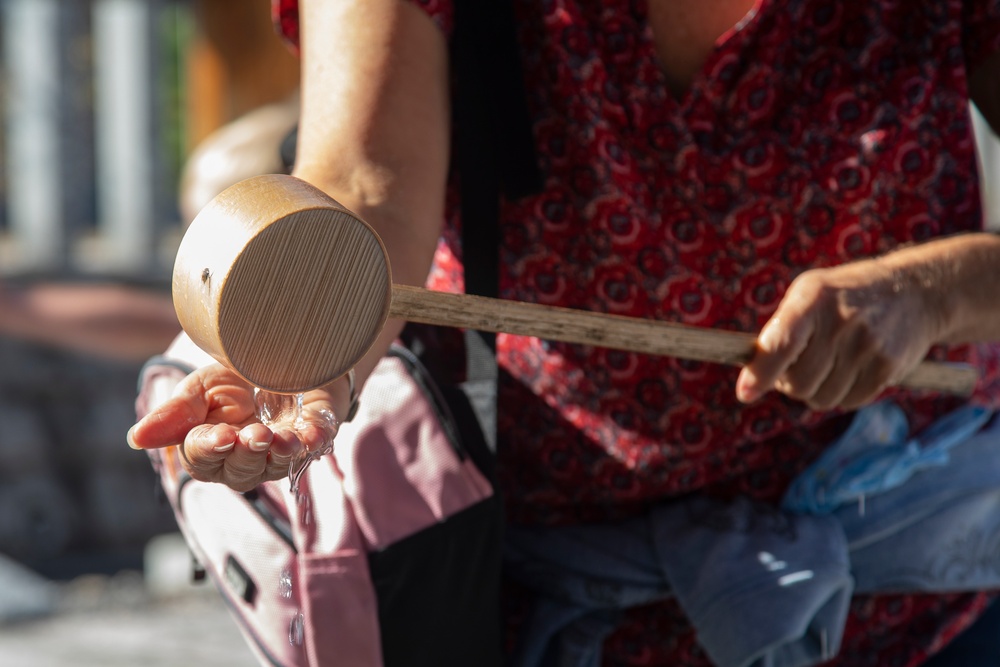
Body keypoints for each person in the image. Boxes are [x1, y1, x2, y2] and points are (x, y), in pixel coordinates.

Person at [127, 0, 1000, 665]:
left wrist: (931, 291)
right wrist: (311, 351)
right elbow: (366, 185)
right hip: (544, 602)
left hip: (914, 592)